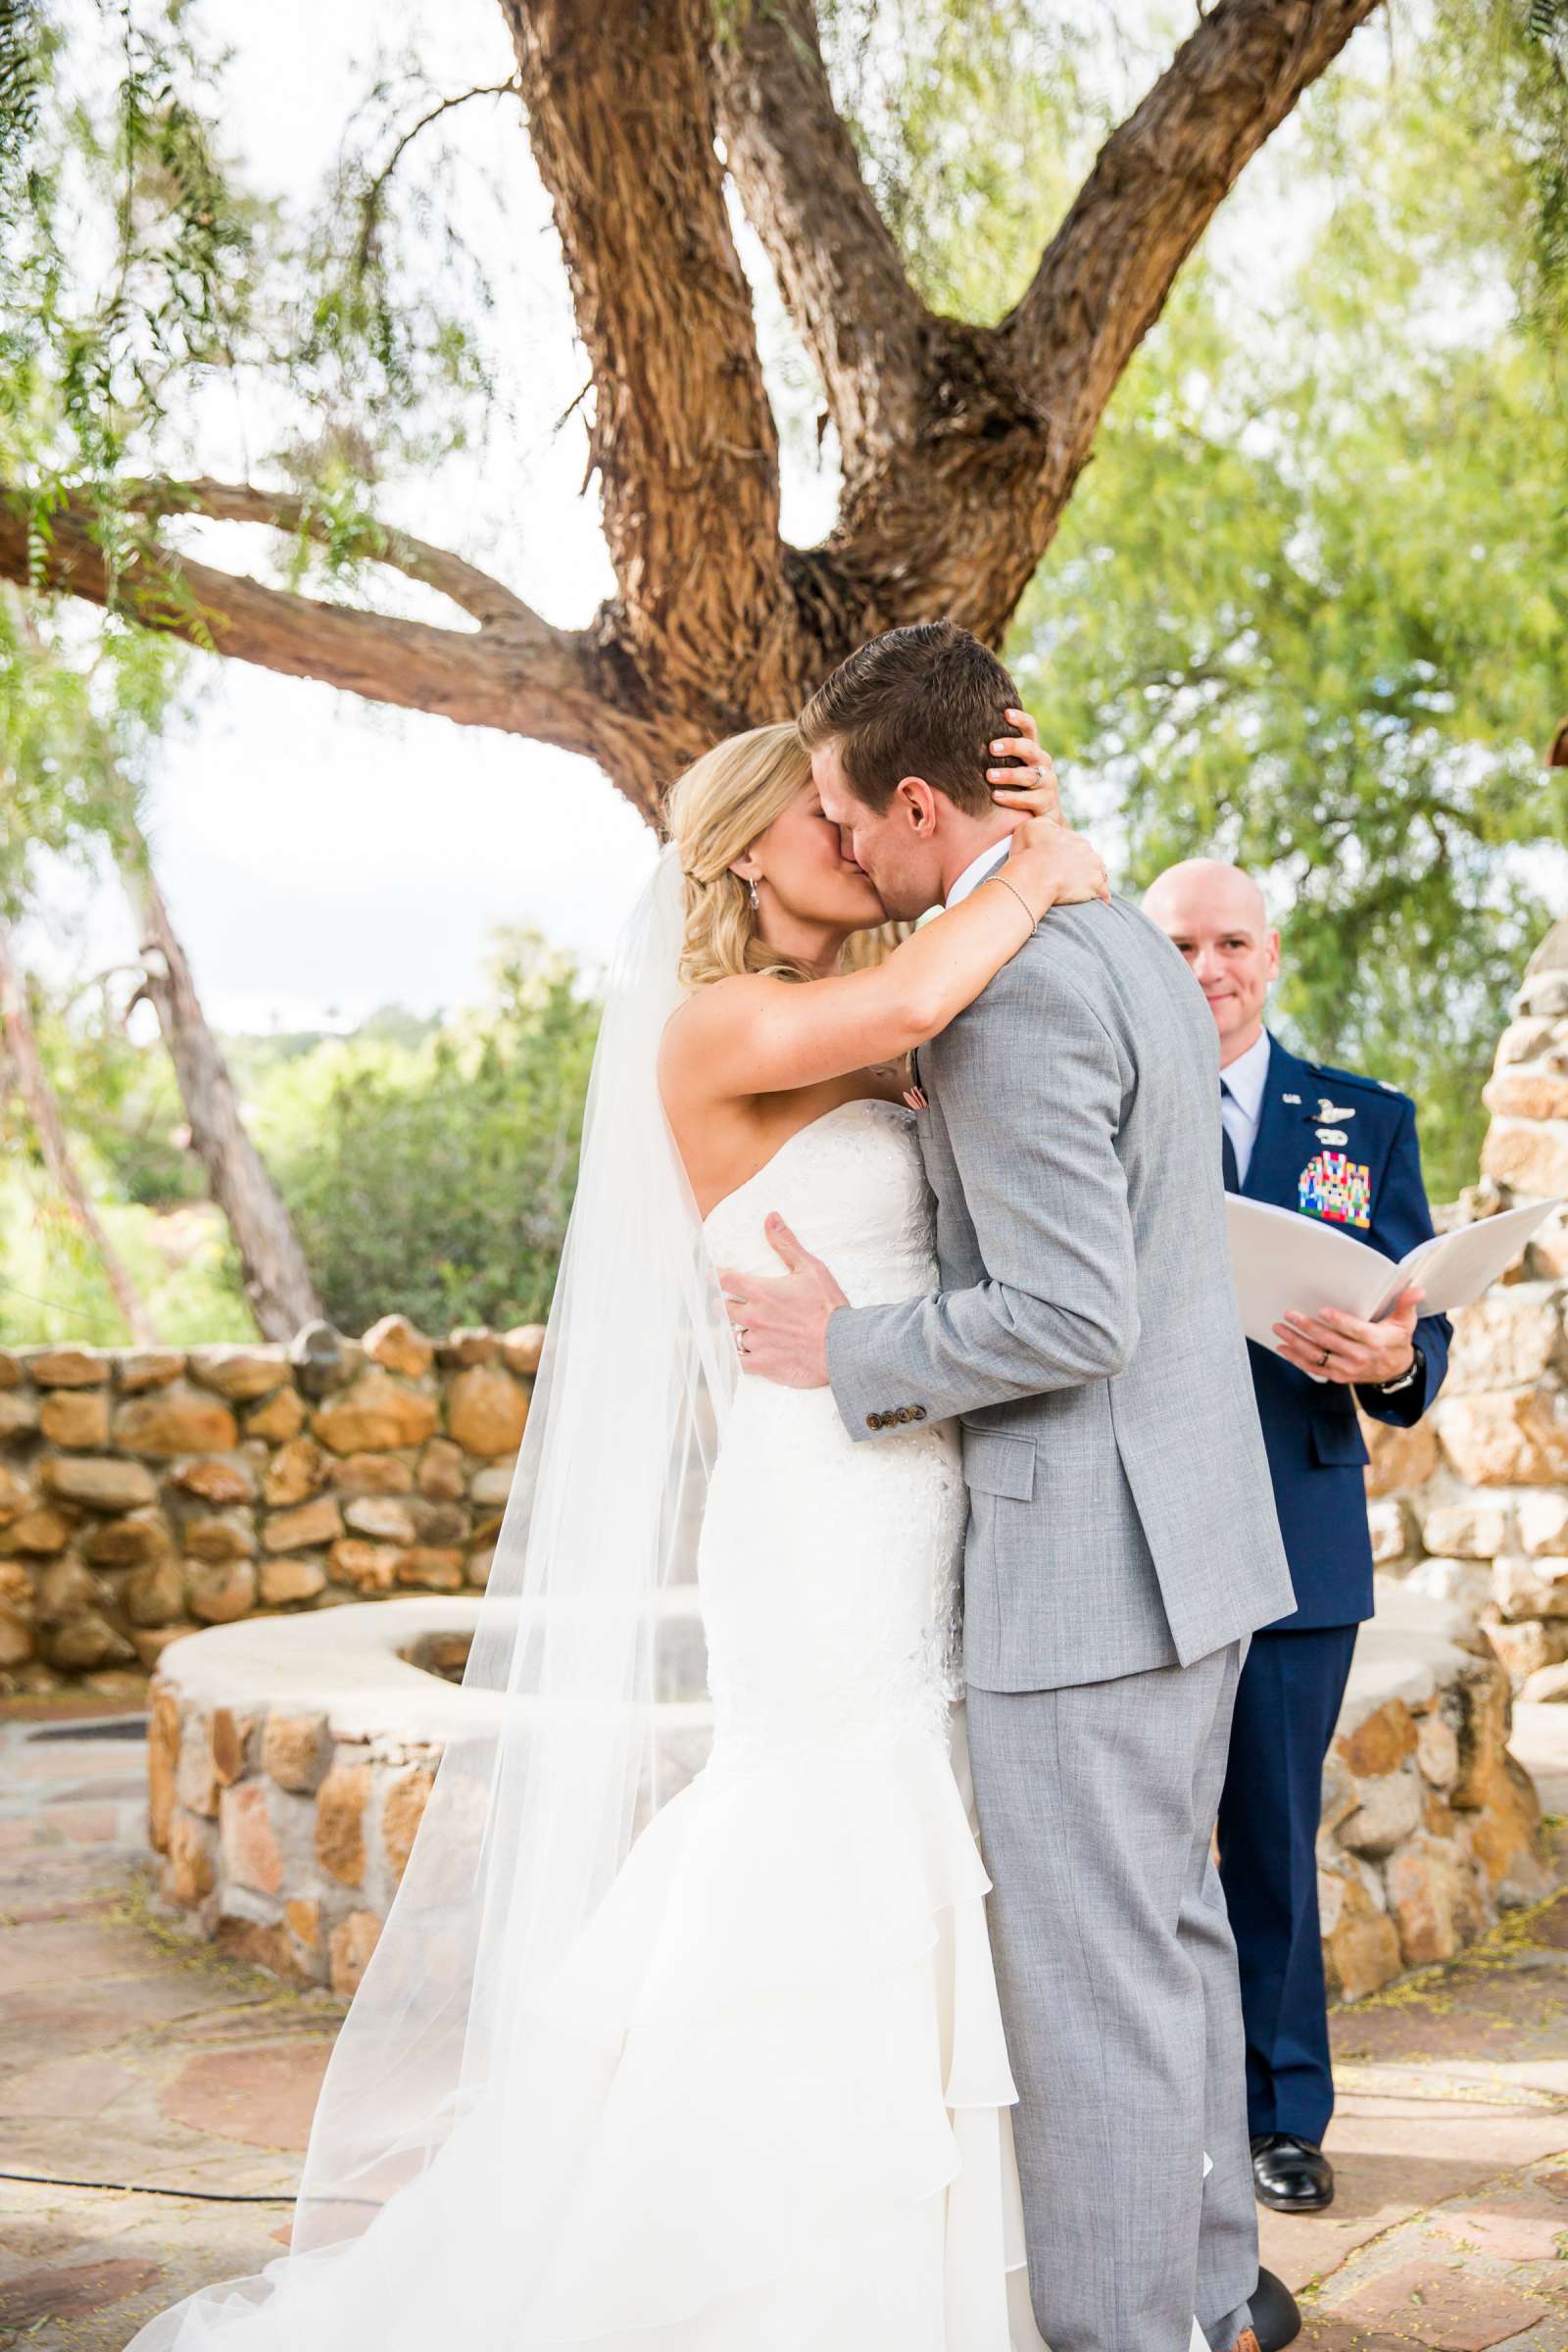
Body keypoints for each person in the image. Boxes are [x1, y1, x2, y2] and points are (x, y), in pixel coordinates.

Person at [123, 705, 1133, 2352]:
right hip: (816, 1515)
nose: (854, 828)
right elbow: (928, 989)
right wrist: (1046, 862)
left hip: (913, 1481)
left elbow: (971, 1034)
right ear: (747, 846)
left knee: (916, 1852)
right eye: (823, 812)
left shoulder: (838, 1022)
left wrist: (1019, 846)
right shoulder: (714, 1026)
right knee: (822, 1840)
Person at [723, 622, 1298, 2352]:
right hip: (1188, 1546)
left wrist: (853, 1350)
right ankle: (1206, 2295)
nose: (841, 848)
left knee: (1091, 1998)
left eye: (847, 813)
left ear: (917, 803)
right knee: (1176, 1948)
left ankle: (1134, 2333)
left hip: (1088, 1574)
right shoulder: (1108, 932)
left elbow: (1068, 1309)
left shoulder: (1008, 989)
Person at [1141, 858, 1450, 2217]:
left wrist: (1384, 1360)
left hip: (1294, 1527)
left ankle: (1281, 2115)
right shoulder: (1109, 1107)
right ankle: (1154, 2118)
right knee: (1136, 1849)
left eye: (1231, 943)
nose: (1207, 969)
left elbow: (1419, 1324)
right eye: (1181, 945)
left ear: (1273, 955)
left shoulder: (1363, 1120)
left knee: (1267, 1835)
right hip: (1131, 1525)